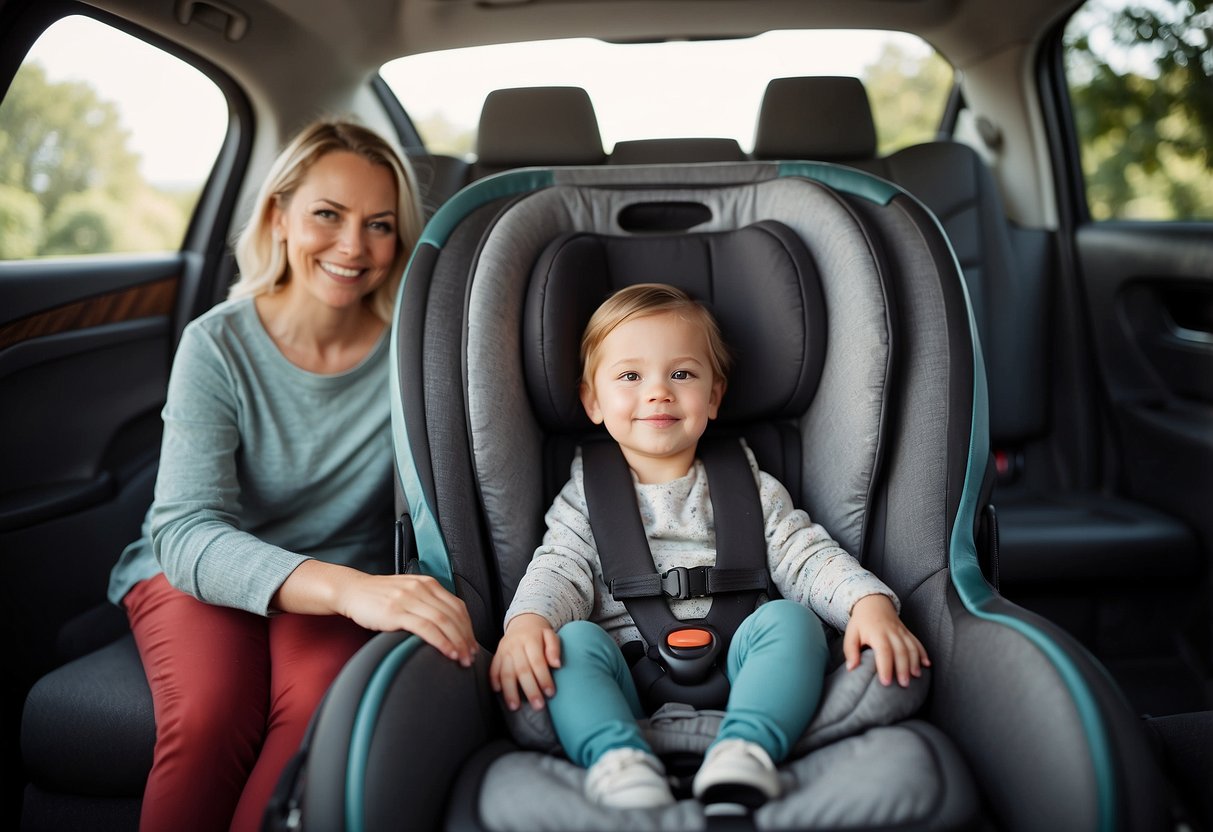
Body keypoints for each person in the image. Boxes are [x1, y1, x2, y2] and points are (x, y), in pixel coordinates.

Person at [107, 119, 477, 832]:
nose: (352, 247)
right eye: (327, 216)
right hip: (201, 573)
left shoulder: (415, 350)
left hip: (342, 577)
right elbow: (184, 531)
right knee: (212, 712)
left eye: (378, 225)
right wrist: (350, 590)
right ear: (279, 216)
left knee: (315, 711)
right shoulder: (217, 343)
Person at [489, 283, 930, 810]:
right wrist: (527, 623)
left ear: (715, 396)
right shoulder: (584, 497)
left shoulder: (749, 486)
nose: (658, 392)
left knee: (793, 622)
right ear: (591, 400)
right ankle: (617, 758)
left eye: (682, 373)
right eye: (630, 376)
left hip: (746, 671)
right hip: (627, 678)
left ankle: (748, 749)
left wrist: (868, 603)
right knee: (573, 643)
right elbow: (559, 568)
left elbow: (805, 555)